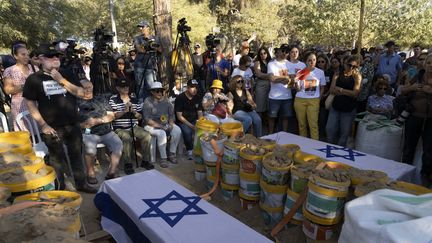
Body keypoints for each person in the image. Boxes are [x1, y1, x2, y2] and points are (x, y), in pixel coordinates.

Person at [23, 43, 96, 193]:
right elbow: (30, 103)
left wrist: (61, 80)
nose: (55, 58)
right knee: (57, 159)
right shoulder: (34, 79)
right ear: (41, 59)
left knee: (76, 154)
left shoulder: (67, 73)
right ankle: (60, 187)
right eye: (51, 56)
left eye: (57, 56)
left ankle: (81, 184)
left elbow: (84, 94)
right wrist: (43, 125)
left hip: (72, 123)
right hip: (51, 127)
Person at [400, 54, 432, 187]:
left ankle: (425, 181)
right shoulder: (418, 76)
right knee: (408, 148)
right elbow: (403, 91)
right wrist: (411, 88)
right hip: (414, 117)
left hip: (430, 121)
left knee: (429, 152)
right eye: (429, 62)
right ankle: (403, 177)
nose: (431, 65)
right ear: (424, 64)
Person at [109, 78, 153, 171]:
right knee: (126, 138)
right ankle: (128, 163)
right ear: (117, 88)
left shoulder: (134, 99)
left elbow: (140, 117)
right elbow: (113, 116)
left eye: (127, 86)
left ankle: (145, 161)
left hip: (133, 126)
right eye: (123, 87)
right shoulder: (113, 99)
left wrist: (133, 111)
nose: (126, 88)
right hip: (119, 128)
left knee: (147, 136)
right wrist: (124, 110)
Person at [78, 95, 123, 183]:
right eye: (85, 87)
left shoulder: (101, 99)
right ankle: (90, 173)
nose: (88, 89)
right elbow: (72, 123)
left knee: (118, 144)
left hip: (106, 131)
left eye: (90, 87)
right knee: (90, 150)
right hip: (88, 133)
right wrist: (83, 125)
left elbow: (112, 116)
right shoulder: (76, 102)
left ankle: (112, 172)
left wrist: (97, 121)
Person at [143, 82, 181, 168]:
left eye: (161, 91)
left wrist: (171, 124)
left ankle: (172, 153)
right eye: (157, 91)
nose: (160, 93)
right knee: (161, 133)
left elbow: (171, 115)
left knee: (177, 130)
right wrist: (161, 127)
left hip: (165, 123)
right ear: (152, 92)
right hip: (151, 125)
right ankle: (163, 158)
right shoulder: (147, 101)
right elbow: (147, 120)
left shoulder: (166, 100)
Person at [326, 55, 362, 146]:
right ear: (345, 64)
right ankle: (329, 147)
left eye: (355, 66)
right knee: (329, 129)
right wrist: (348, 92)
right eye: (350, 65)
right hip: (335, 106)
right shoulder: (337, 74)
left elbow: (355, 94)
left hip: (349, 109)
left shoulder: (357, 77)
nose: (352, 68)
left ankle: (339, 152)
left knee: (344, 133)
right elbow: (331, 90)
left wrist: (340, 90)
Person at [3, 44, 37, 130]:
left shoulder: (34, 68)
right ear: (15, 56)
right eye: (23, 54)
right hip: (20, 107)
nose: (26, 57)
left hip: (36, 105)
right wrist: (26, 86)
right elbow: (7, 90)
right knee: (26, 135)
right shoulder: (9, 70)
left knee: (40, 133)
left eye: (27, 55)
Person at [293, 52, 326, 140]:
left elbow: (322, 87)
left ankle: (315, 144)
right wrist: (296, 81)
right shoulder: (301, 72)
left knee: (313, 125)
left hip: (313, 100)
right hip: (300, 99)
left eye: (314, 60)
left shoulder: (320, 72)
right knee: (302, 124)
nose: (312, 62)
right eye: (309, 60)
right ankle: (303, 144)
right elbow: (298, 89)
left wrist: (319, 98)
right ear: (305, 61)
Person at [133, 20, 162, 101]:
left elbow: (160, 50)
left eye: (143, 27)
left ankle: (152, 103)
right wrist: (148, 45)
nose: (141, 29)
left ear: (148, 27)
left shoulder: (155, 38)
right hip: (139, 66)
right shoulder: (137, 38)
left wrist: (153, 46)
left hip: (151, 66)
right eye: (140, 27)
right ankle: (140, 104)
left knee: (151, 86)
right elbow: (139, 49)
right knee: (140, 86)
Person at [175, 79, 203, 159]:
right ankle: (189, 150)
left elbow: (200, 112)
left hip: (194, 120)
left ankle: (200, 149)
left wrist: (200, 123)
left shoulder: (197, 97)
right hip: (182, 121)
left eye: (196, 87)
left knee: (204, 128)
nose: (195, 89)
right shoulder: (180, 98)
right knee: (187, 131)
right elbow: (179, 116)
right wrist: (192, 126)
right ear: (187, 87)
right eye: (192, 87)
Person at [267, 46, 292, 133]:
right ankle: (270, 134)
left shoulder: (289, 63)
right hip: (274, 96)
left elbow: (291, 78)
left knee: (285, 118)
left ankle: (284, 135)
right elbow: (272, 79)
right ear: (277, 53)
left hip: (287, 96)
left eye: (285, 52)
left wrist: (279, 79)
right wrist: (285, 78)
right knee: (272, 117)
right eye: (282, 51)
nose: (284, 53)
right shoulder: (271, 64)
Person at [254, 47, 273, 122]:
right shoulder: (257, 62)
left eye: (264, 53)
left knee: (269, 106)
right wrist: (269, 75)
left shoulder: (271, 62)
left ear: (267, 53)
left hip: (271, 84)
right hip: (261, 84)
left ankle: (268, 125)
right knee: (260, 106)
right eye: (261, 54)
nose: (263, 55)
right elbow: (259, 74)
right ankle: (259, 125)